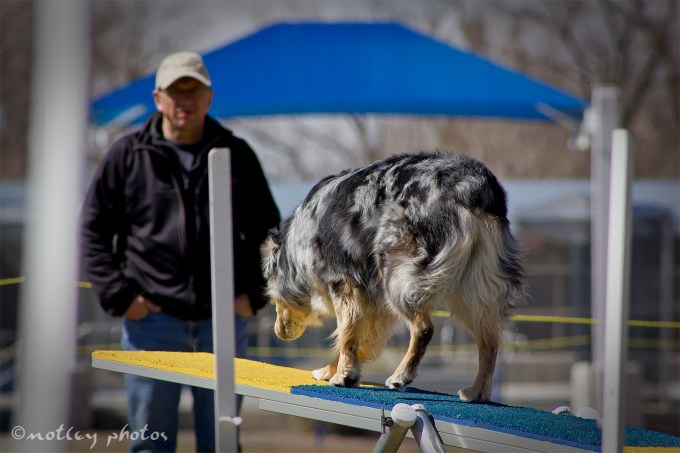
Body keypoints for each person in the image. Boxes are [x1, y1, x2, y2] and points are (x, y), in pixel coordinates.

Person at [80, 51, 281, 452]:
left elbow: (271, 234)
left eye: (194, 91)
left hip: (223, 325)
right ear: (158, 98)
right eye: (176, 91)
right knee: (152, 444)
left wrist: (254, 296)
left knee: (222, 442)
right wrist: (122, 298)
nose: (185, 100)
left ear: (209, 97)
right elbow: (92, 231)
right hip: (150, 324)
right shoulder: (126, 156)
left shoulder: (237, 153)